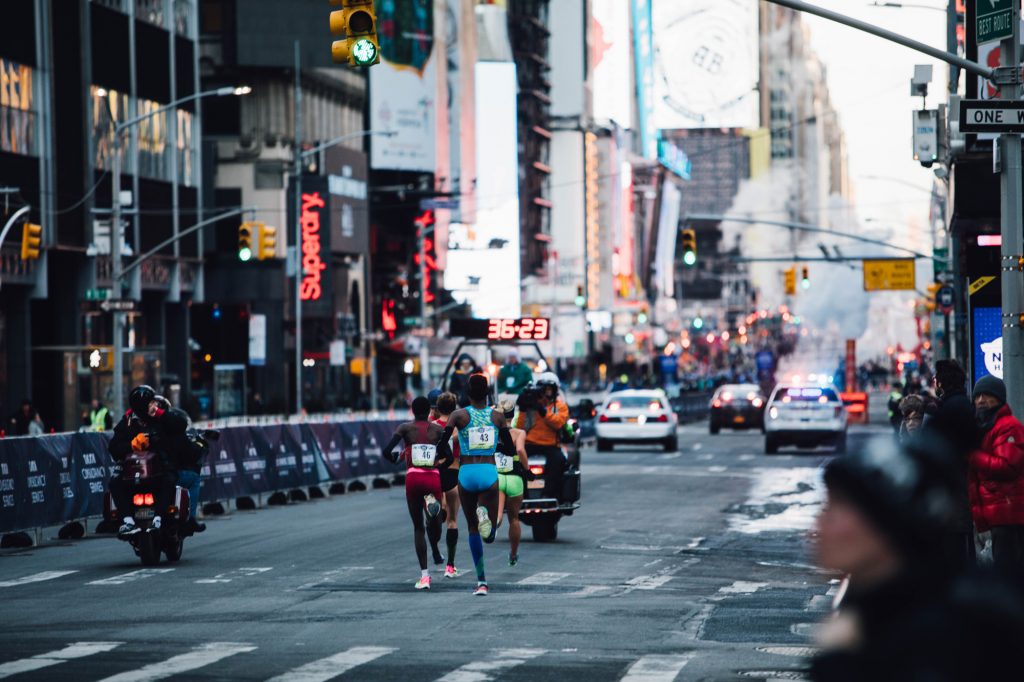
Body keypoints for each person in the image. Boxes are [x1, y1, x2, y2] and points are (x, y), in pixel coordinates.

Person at [809, 435, 1024, 681]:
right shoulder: (878, 608)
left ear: (890, 525)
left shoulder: (945, 636)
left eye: (837, 508)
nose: (818, 527)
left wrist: (839, 664)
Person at [437, 374, 517, 596]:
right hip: (488, 472)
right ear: (488, 393)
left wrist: (443, 460)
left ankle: (482, 582)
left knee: (472, 529)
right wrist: (494, 446)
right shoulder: (498, 417)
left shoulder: (458, 415)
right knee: (489, 535)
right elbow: (510, 450)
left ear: (468, 393)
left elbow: (443, 444)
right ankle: (489, 526)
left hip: (466, 473)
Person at [383, 396, 451, 590]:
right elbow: (448, 456)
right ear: (429, 411)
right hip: (432, 477)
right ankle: (435, 531)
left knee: (418, 528)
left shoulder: (405, 428)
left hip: (413, 478)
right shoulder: (437, 430)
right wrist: (437, 463)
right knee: (435, 525)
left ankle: (424, 576)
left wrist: (396, 457)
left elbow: (386, 451)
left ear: (412, 411)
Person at [108, 385, 188, 538]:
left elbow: (181, 424)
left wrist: (159, 414)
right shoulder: (128, 422)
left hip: (161, 467)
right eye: (150, 403)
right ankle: (128, 521)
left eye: (154, 402)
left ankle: (158, 519)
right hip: (133, 472)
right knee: (114, 482)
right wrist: (131, 445)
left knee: (169, 479)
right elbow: (113, 447)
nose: (154, 405)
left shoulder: (160, 417)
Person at [921, 359, 979, 570]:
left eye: (937, 378)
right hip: (958, 489)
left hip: (957, 490)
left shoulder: (954, 408)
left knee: (958, 549)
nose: (934, 382)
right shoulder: (954, 404)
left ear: (943, 382)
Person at [970, 375, 1024, 582]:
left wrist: (972, 455)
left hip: (1008, 515)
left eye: (987, 395)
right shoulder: (985, 426)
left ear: (999, 399)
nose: (981, 400)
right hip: (996, 515)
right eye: (978, 396)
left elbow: (1007, 466)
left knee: (1008, 574)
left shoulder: (1008, 427)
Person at [153, 395, 206, 535]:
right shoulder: (174, 429)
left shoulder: (141, 427)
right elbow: (189, 453)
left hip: (143, 479)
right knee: (194, 479)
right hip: (167, 476)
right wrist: (199, 446)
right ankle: (190, 519)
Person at [516, 373, 569, 500]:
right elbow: (521, 428)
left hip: (550, 445)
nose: (546, 393)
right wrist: (523, 409)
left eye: (549, 389)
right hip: (530, 444)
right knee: (515, 462)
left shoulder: (560, 406)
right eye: (543, 389)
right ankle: (522, 495)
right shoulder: (531, 406)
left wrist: (543, 411)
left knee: (559, 460)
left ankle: (549, 495)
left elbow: (558, 423)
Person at [496, 398, 531, 566]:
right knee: (514, 518)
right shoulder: (519, 433)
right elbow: (519, 449)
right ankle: (514, 553)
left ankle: (493, 525)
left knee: (496, 514)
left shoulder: (492, 432)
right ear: (513, 414)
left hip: (497, 477)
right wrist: (528, 469)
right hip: (515, 478)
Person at [433, 391, 462, 579]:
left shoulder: (432, 427)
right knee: (453, 521)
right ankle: (450, 566)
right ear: (454, 409)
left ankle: (435, 549)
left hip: (436, 473)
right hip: (454, 471)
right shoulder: (459, 427)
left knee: (434, 518)